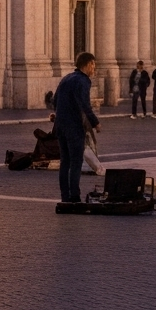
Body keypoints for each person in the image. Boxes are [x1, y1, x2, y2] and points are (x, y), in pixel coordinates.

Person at [51, 52, 100, 205]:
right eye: (93, 65)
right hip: (74, 127)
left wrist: (60, 112)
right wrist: (95, 122)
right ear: (88, 64)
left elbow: (55, 100)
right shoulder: (83, 81)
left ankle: (65, 197)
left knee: (65, 162)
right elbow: (85, 105)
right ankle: (75, 197)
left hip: (60, 126)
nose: (94, 69)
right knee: (76, 162)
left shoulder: (66, 78)